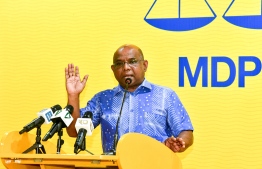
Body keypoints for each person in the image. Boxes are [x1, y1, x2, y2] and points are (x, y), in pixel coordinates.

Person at [65, 44, 194, 153]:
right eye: (119, 64)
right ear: (113, 69)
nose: (126, 67)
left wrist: (178, 143)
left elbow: (186, 131)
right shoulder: (102, 99)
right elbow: (74, 131)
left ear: (145, 65)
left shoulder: (165, 95)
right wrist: (73, 96)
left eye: (132, 62)